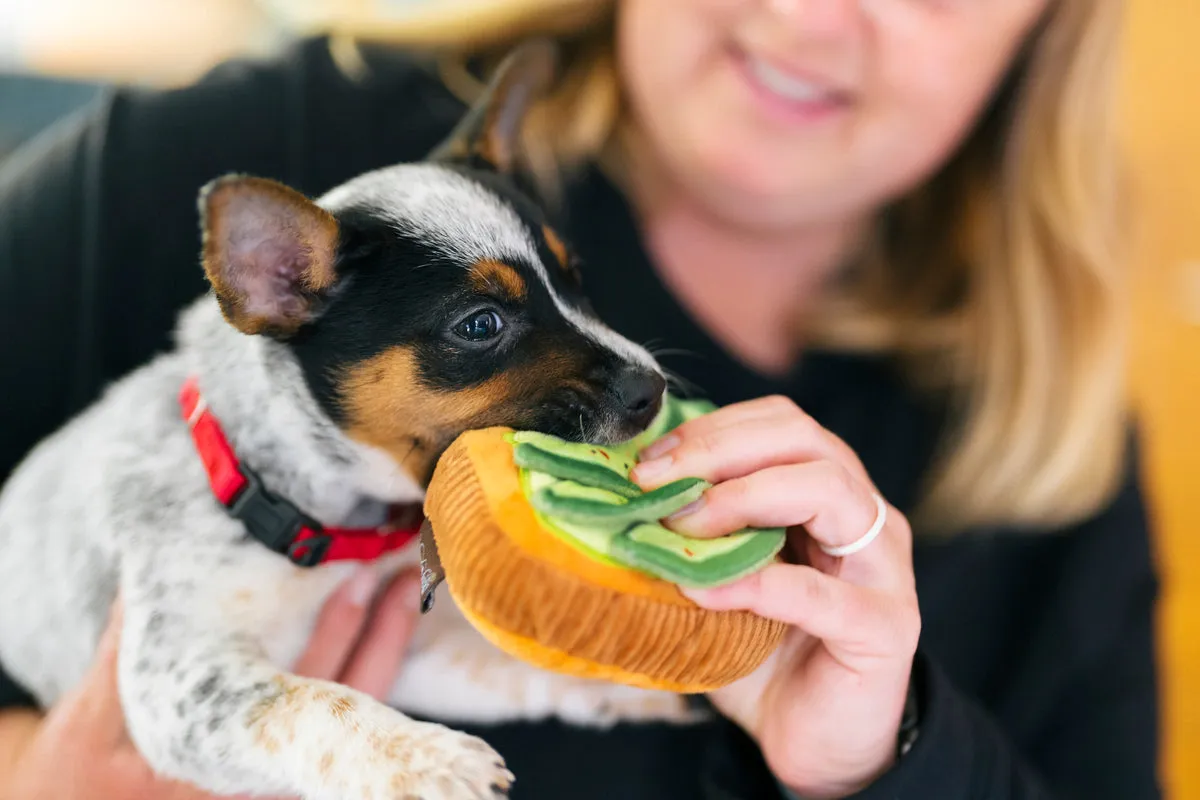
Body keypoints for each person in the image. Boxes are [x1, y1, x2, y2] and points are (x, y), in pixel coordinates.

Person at [0, 0, 1161, 798]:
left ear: (1044, 30)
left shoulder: (1059, 460)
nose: (810, 14)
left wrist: (880, 762)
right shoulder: (241, 161)